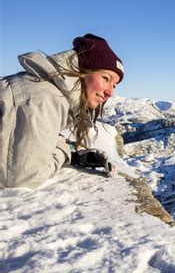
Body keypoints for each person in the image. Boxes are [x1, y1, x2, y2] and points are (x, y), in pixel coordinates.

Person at [0, 33, 124, 188]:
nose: (110, 92)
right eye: (105, 78)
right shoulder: (45, 98)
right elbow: (22, 177)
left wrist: (70, 150)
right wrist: (67, 152)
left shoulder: (45, 90)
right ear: (83, 71)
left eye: (114, 85)